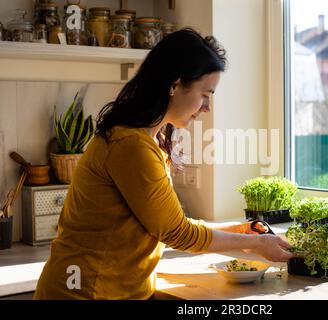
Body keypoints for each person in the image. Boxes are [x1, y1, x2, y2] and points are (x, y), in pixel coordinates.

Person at [33, 28, 295, 300]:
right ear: (174, 85)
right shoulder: (131, 146)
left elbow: (168, 222)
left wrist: (240, 230)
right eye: (205, 94)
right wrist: (256, 242)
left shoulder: (149, 140)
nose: (207, 107)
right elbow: (176, 233)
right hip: (83, 291)